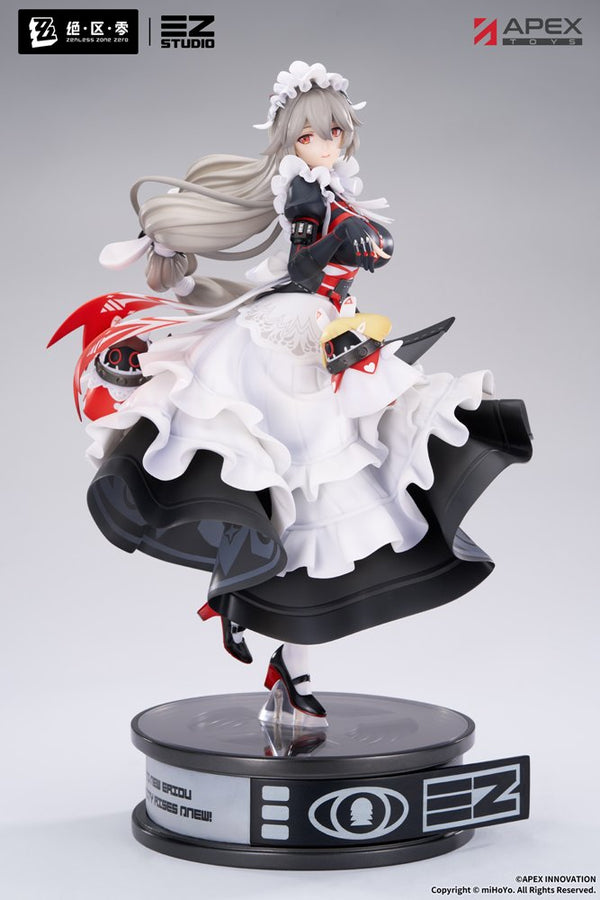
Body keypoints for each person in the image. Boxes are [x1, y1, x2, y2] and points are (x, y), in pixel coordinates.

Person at [50, 61, 532, 723]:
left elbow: (368, 252)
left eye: (335, 131)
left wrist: (357, 242)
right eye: (311, 135)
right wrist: (342, 242)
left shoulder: (328, 185)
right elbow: (307, 267)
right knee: (305, 479)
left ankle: (272, 639)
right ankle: (245, 598)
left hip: (326, 327)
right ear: (290, 140)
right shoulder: (305, 191)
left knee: (323, 494)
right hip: (293, 336)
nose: (325, 143)